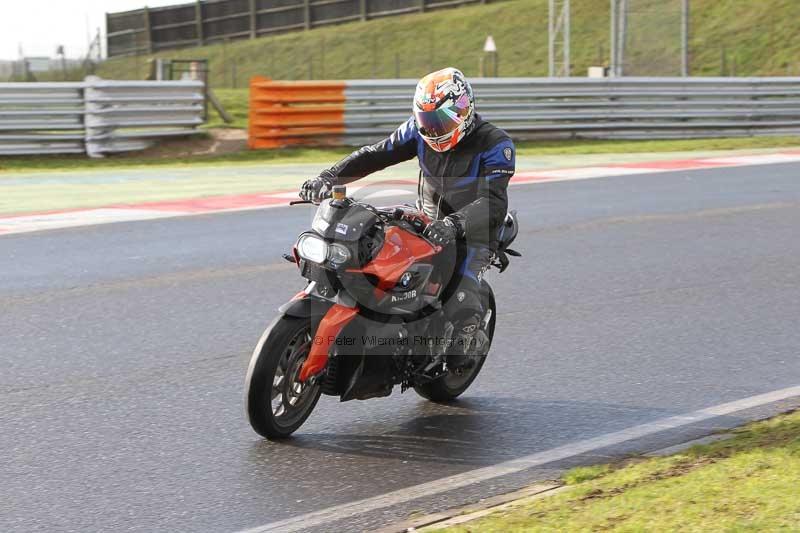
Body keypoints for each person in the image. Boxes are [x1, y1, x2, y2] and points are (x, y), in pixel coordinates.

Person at [299, 67, 514, 364]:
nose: (434, 129)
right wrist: (331, 176)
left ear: (464, 109)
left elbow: (494, 201)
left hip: (474, 230)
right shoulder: (416, 131)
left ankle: (467, 336)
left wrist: (455, 224)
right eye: (428, 120)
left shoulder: (495, 144)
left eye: (441, 119)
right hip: (426, 219)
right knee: (373, 250)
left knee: (459, 295)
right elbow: (376, 154)